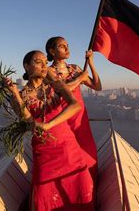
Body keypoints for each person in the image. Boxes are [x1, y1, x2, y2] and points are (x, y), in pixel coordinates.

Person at [4, 50, 94, 211]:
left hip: (69, 150)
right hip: (44, 154)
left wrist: (48, 125)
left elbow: (75, 105)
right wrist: (16, 95)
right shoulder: (19, 96)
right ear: (27, 66)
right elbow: (29, 123)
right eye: (39, 62)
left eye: (46, 62)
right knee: (44, 197)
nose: (45, 65)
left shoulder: (56, 85)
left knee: (80, 191)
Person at [45, 36, 102, 185]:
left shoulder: (75, 68)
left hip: (80, 119)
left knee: (88, 154)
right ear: (52, 51)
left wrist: (91, 64)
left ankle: (89, 190)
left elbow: (97, 86)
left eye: (67, 45)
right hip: (62, 119)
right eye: (61, 46)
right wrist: (80, 78)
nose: (67, 48)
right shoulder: (48, 72)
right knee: (68, 158)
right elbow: (62, 91)